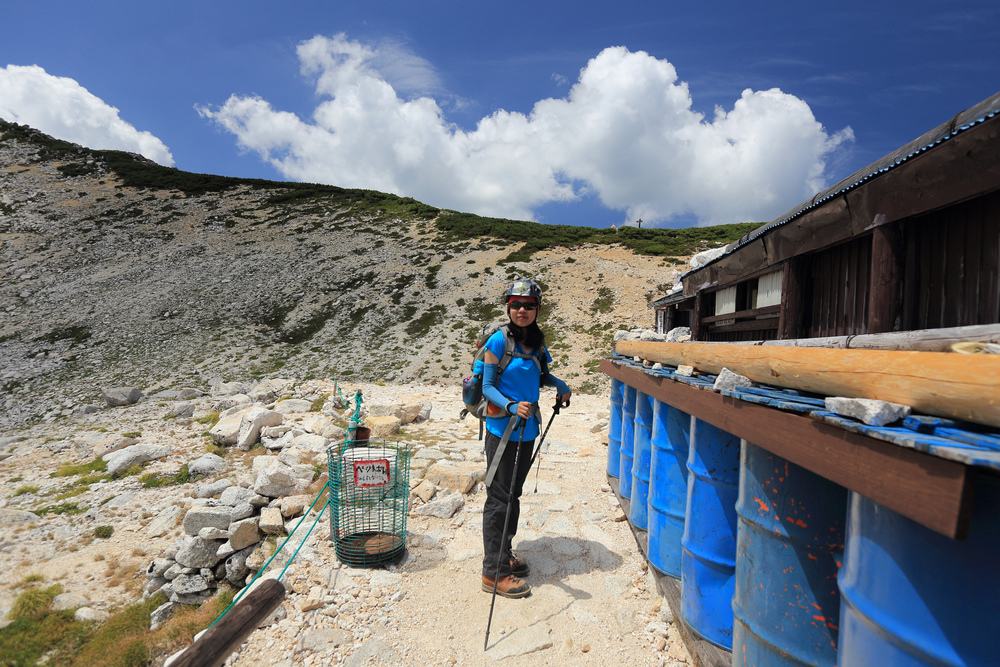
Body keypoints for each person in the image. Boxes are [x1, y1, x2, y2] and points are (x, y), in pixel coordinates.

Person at [479, 279, 572, 598]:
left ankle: (503, 555)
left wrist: (559, 384)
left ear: (537, 309)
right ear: (508, 307)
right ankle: (493, 572)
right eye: (516, 304)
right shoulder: (497, 341)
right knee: (499, 498)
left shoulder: (537, 344)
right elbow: (486, 386)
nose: (522, 310)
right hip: (502, 430)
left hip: (528, 430)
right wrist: (508, 405)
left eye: (529, 305)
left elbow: (540, 375)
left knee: (512, 495)